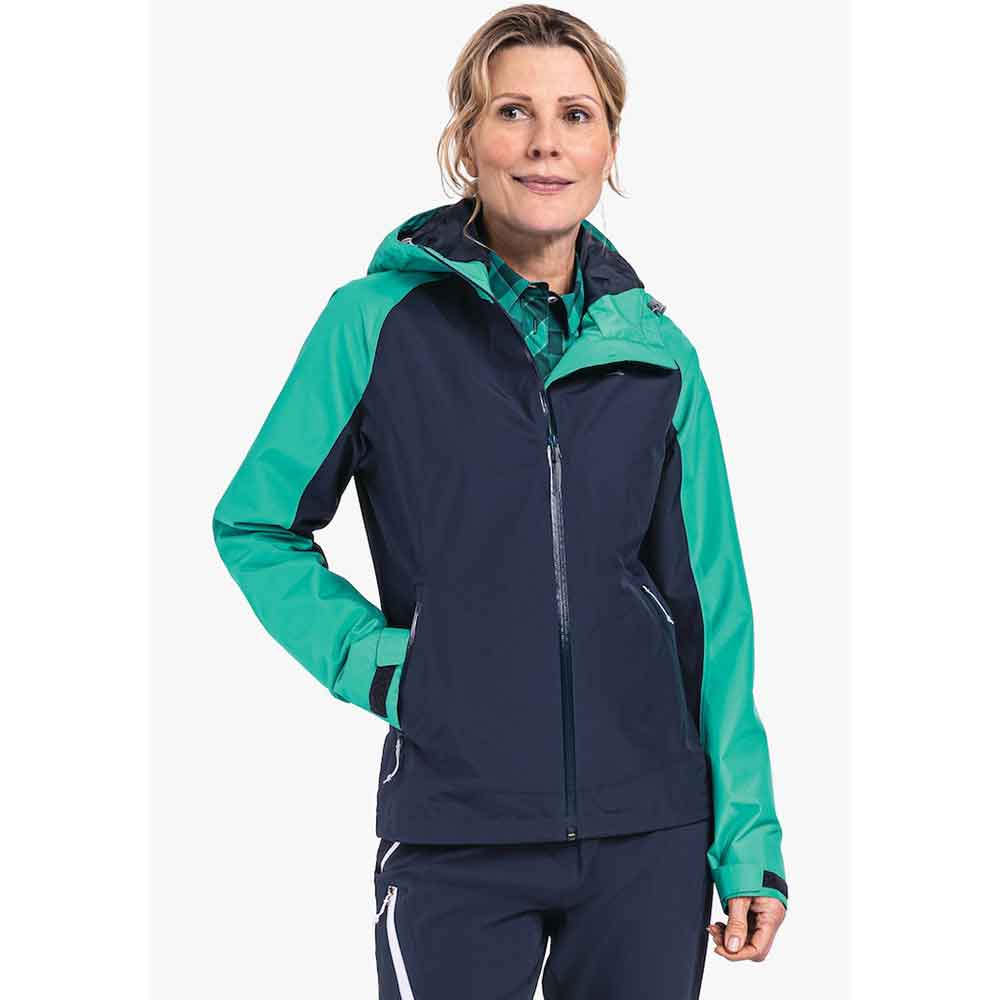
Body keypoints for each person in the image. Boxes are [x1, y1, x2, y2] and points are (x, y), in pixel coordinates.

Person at [212, 5, 788, 997]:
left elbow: (712, 613)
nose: (544, 142)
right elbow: (256, 524)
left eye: (575, 115)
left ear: (608, 145)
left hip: (649, 831)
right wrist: (383, 664)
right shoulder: (374, 325)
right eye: (513, 111)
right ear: (466, 140)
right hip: (457, 828)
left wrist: (748, 842)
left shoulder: (658, 357)